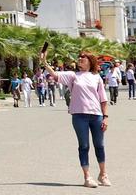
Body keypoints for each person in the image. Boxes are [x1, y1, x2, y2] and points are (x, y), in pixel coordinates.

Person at [41, 49, 110, 187]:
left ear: (90, 61)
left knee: (99, 145)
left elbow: (103, 99)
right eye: (79, 58)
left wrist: (105, 117)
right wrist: (44, 61)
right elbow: (55, 75)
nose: (79, 60)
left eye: (83, 58)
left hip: (96, 115)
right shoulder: (73, 76)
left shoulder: (97, 77)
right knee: (84, 146)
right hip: (79, 116)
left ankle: (103, 174)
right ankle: (87, 177)